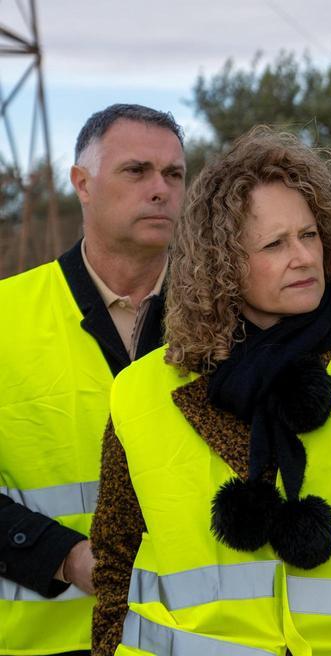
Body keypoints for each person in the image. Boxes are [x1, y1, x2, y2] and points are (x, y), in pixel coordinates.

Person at [89, 128, 331, 655]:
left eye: (309, 234)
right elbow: (115, 569)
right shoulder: (143, 393)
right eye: (275, 244)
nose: (302, 257)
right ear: (222, 265)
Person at [0, 104, 185, 655]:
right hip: (41, 644)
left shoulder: (225, 323)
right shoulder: (7, 317)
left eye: (174, 174)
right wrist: (65, 556)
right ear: (82, 183)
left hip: (188, 642)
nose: (160, 190)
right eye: (137, 170)